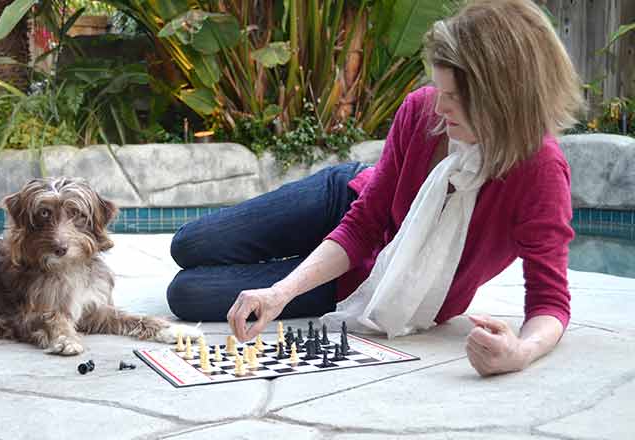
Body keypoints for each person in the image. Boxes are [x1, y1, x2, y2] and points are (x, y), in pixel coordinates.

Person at [167, 0, 583, 376]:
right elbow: (365, 223)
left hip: (370, 277)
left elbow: (550, 301)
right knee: (187, 243)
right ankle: (283, 269)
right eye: (439, 90)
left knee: (187, 293)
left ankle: (283, 268)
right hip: (345, 201)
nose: (438, 107)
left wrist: (521, 352)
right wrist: (281, 293)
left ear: (501, 98)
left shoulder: (541, 171)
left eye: (453, 97)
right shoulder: (421, 110)